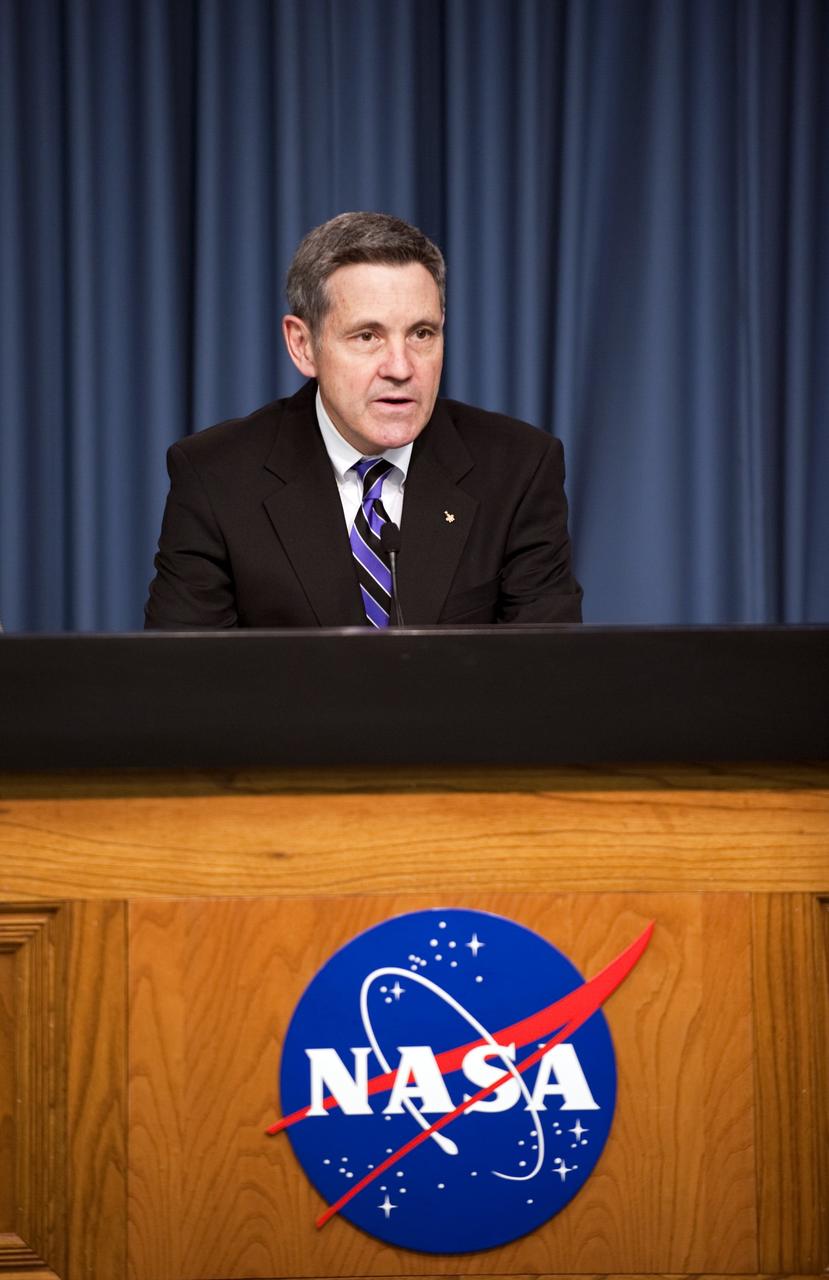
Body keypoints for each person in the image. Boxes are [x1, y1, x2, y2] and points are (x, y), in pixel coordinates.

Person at [144, 212, 582, 628]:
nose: (400, 366)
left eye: (422, 333)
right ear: (303, 345)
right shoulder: (216, 478)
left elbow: (547, 681)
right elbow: (182, 688)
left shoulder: (518, 469)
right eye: (368, 336)